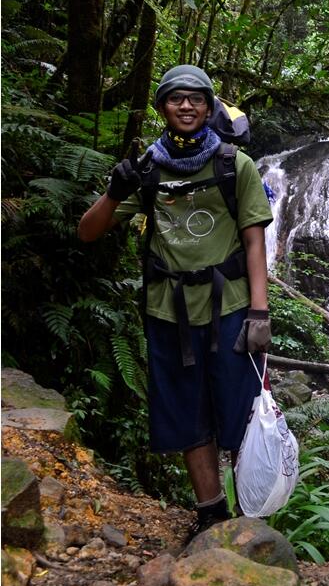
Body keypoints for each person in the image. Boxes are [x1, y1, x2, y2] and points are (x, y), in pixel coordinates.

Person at [78, 65, 273, 538]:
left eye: (196, 99)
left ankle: (250, 516)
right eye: (175, 98)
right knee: (187, 411)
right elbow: (87, 231)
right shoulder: (147, 169)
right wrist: (115, 190)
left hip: (231, 308)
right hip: (169, 312)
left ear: (209, 107)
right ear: (162, 107)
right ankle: (211, 513)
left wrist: (260, 312)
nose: (186, 106)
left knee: (239, 410)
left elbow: (253, 242)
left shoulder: (235, 165)